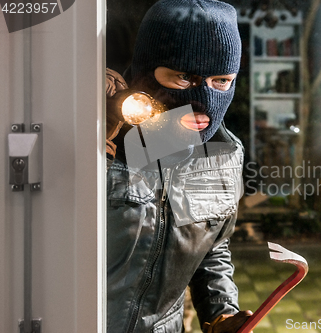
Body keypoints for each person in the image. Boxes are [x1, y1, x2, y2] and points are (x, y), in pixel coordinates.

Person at [105, 1, 252, 332]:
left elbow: (211, 248)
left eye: (221, 80)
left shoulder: (221, 154)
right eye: (184, 77)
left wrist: (220, 312)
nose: (204, 97)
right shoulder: (103, 139)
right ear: (145, 70)